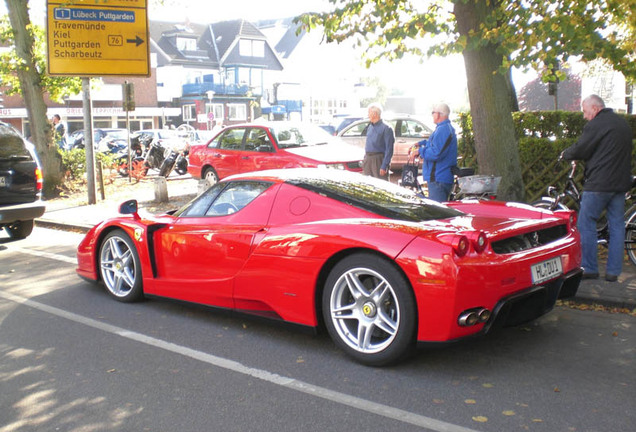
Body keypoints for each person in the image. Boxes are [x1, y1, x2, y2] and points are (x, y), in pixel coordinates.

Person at [561, 94, 633, 282]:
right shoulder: (623, 125)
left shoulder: (596, 125)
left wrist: (566, 154)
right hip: (619, 184)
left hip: (599, 184)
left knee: (586, 223)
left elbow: (582, 148)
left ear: (595, 108)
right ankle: (613, 272)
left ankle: (590, 267)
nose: (585, 116)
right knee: (617, 226)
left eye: (585, 112)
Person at [417, 103, 458, 202]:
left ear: (439, 114)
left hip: (439, 178)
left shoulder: (443, 129)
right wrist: (421, 144)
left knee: (437, 211)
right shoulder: (444, 128)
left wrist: (420, 150)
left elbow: (436, 153)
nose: (432, 115)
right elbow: (436, 145)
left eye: (433, 112)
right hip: (439, 177)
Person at [363, 103, 394, 180]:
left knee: (381, 186)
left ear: (375, 114)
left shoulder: (386, 128)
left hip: (378, 160)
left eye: (369, 112)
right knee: (368, 185)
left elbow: (389, 149)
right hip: (368, 159)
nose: (368, 115)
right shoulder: (370, 127)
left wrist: (384, 165)